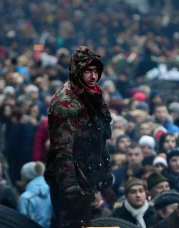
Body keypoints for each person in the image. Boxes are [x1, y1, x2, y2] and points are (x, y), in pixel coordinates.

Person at [44, 46, 113, 228]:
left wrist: (105, 168)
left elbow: (99, 137)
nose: (93, 76)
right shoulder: (65, 103)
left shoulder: (92, 94)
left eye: (96, 71)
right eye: (88, 71)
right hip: (72, 179)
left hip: (89, 173)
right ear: (77, 72)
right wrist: (69, 185)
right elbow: (62, 148)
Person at [17, 162, 52, 228]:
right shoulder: (50, 194)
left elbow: (22, 224)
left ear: (26, 177)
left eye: (22, 176)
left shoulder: (25, 198)